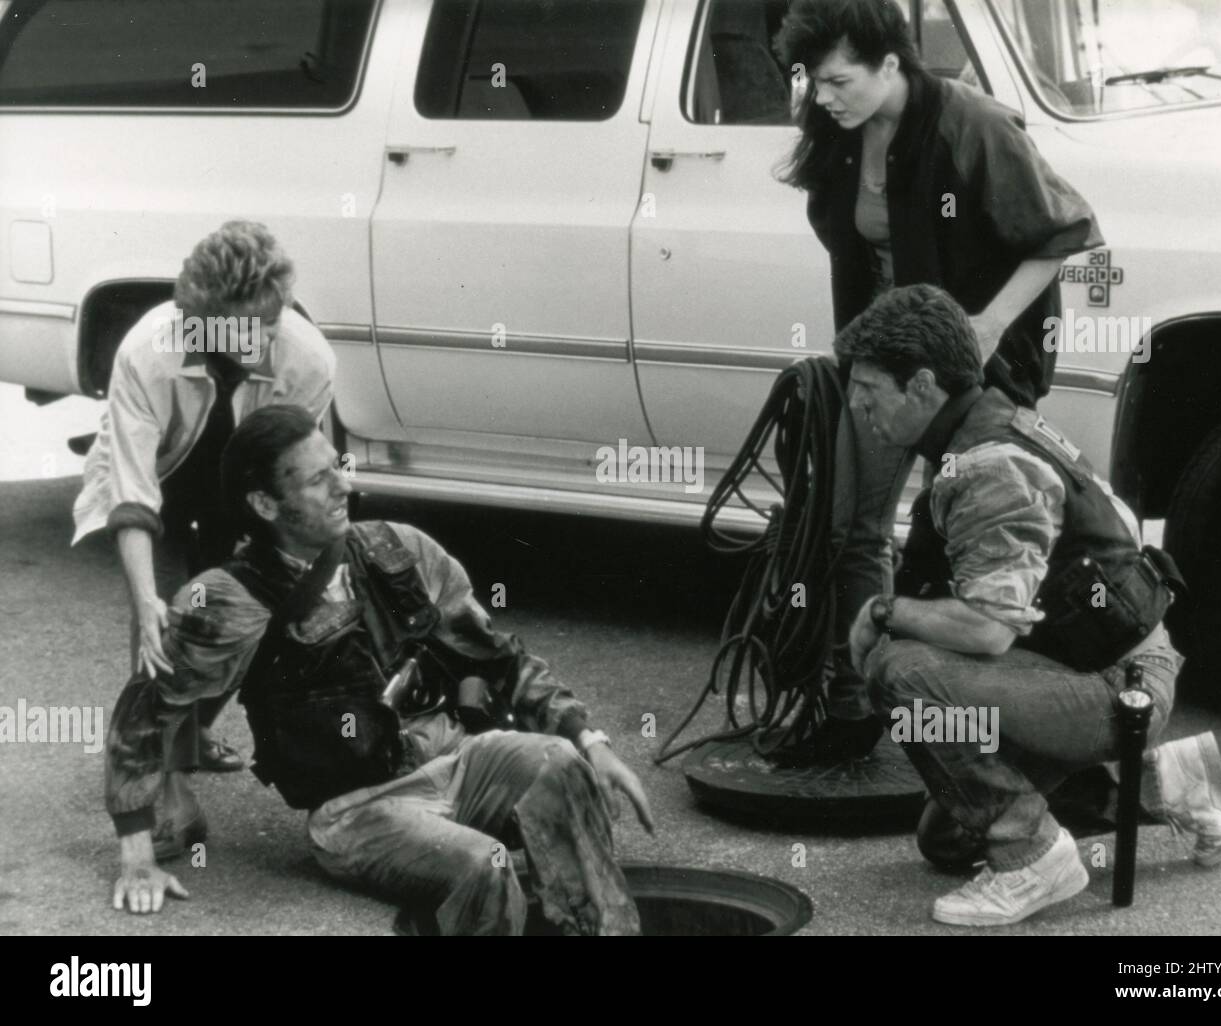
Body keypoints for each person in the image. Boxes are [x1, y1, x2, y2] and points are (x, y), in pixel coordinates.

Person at [104, 405, 654, 935]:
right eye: (319, 480)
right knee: (482, 864)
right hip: (359, 811)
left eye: (338, 467)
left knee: (561, 762)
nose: (344, 486)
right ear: (265, 503)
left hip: (459, 762)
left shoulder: (400, 547)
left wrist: (593, 742)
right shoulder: (228, 600)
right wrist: (136, 858)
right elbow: (143, 718)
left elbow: (500, 658)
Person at [839, 285, 1221, 927]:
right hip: (1098, 665)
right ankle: (1167, 782)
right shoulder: (991, 416)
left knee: (900, 671)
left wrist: (883, 612)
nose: (856, 403)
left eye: (868, 386)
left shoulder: (988, 465)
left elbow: (989, 629)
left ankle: (1033, 860)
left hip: (1117, 687)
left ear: (920, 385)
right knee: (947, 839)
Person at [772, 0, 1104, 764]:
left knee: (980, 546)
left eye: (837, 80)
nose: (822, 98)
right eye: (812, 81)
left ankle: (1011, 733)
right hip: (886, 356)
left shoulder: (974, 124)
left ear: (893, 62)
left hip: (978, 369)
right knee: (851, 522)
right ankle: (853, 707)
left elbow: (1066, 232)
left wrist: (985, 326)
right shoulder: (841, 126)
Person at [73, 221, 336, 816]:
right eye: (252, 331)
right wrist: (146, 602)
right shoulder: (147, 351)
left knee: (241, 613)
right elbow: (135, 493)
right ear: (204, 323)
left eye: (276, 323)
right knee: (166, 621)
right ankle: (148, 769)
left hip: (241, 483)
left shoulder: (310, 359)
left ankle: (190, 736)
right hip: (164, 480)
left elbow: (288, 479)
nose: (271, 340)